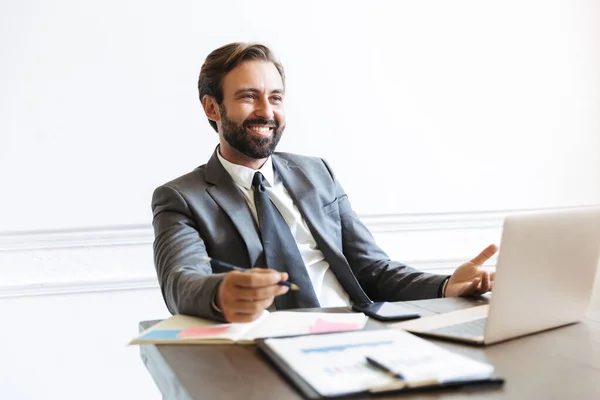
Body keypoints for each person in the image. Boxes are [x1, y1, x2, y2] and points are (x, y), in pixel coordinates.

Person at [151, 42, 497, 323]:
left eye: (275, 97)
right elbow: (181, 282)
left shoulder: (317, 173)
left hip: (361, 330)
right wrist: (220, 293)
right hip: (269, 350)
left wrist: (447, 285)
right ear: (212, 107)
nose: (267, 112)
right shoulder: (182, 198)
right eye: (248, 96)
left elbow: (373, 269)